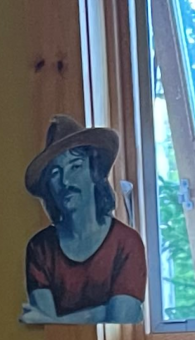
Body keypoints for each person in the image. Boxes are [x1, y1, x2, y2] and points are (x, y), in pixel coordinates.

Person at [20, 115, 147, 326]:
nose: (65, 181)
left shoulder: (126, 242)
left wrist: (62, 320)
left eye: (75, 167)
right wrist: (101, 313)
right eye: (55, 173)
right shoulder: (40, 247)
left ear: (94, 172)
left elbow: (122, 320)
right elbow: (48, 329)